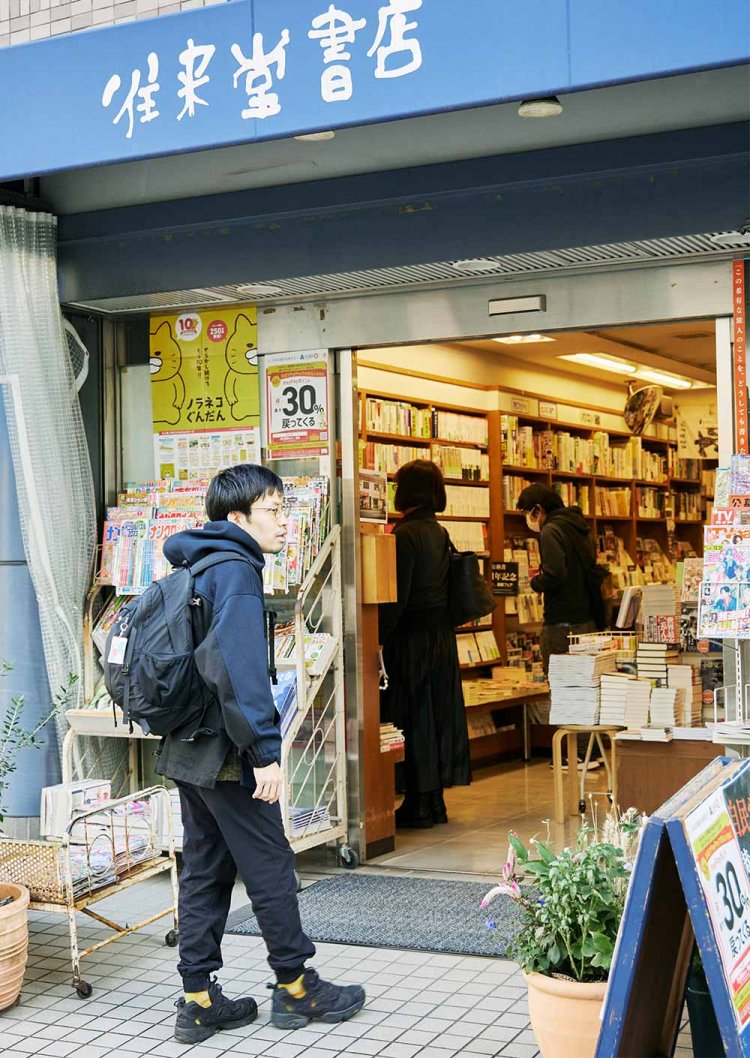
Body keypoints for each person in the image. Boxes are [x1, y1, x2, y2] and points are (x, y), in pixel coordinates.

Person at [157, 464, 365, 1045]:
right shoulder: (238, 573)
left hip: (186, 747)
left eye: (281, 507)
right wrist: (265, 753)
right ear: (237, 518)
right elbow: (237, 669)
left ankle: (197, 1000)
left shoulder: (195, 562)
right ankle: (296, 987)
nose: (283, 520)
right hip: (227, 752)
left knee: (204, 869)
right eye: (272, 509)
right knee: (271, 866)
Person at [379, 460, 471, 829]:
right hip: (440, 637)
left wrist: (379, 637)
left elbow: (397, 595)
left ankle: (417, 801)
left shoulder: (405, 535)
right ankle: (434, 802)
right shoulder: (438, 530)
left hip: (411, 637)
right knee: (436, 714)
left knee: (412, 715)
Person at [516, 483, 598, 674]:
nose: (527, 520)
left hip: (561, 624)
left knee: (561, 688)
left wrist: (536, 581)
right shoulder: (579, 527)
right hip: (587, 620)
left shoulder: (550, 531)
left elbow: (555, 573)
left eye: (527, 513)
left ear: (538, 509)